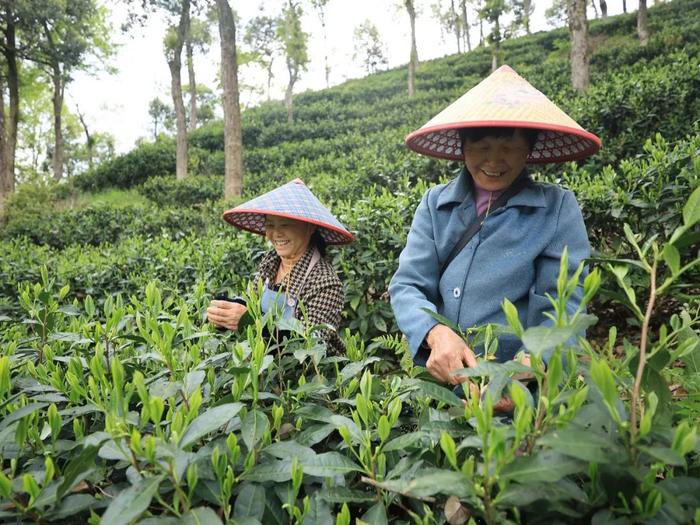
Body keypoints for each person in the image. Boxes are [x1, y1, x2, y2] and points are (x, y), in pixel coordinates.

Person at [389, 65, 601, 403]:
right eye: (482, 147)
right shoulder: (434, 204)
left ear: (529, 150)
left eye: (509, 147)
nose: (494, 161)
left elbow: (565, 304)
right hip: (441, 383)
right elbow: (408, 285)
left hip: (520, 391)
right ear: (462, 148)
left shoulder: (556, 208)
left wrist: (525, 369)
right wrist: (435, 333)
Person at [207, 178, 353, 355]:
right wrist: (228, 313)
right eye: (270, 225)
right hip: (267, 365)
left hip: (311, 377)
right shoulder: (270, 263)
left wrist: (248, 322)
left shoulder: (325, 283)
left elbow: (310, 347)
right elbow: (253, 304)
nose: (276, 234)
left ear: (310, 227)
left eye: (285, 224)